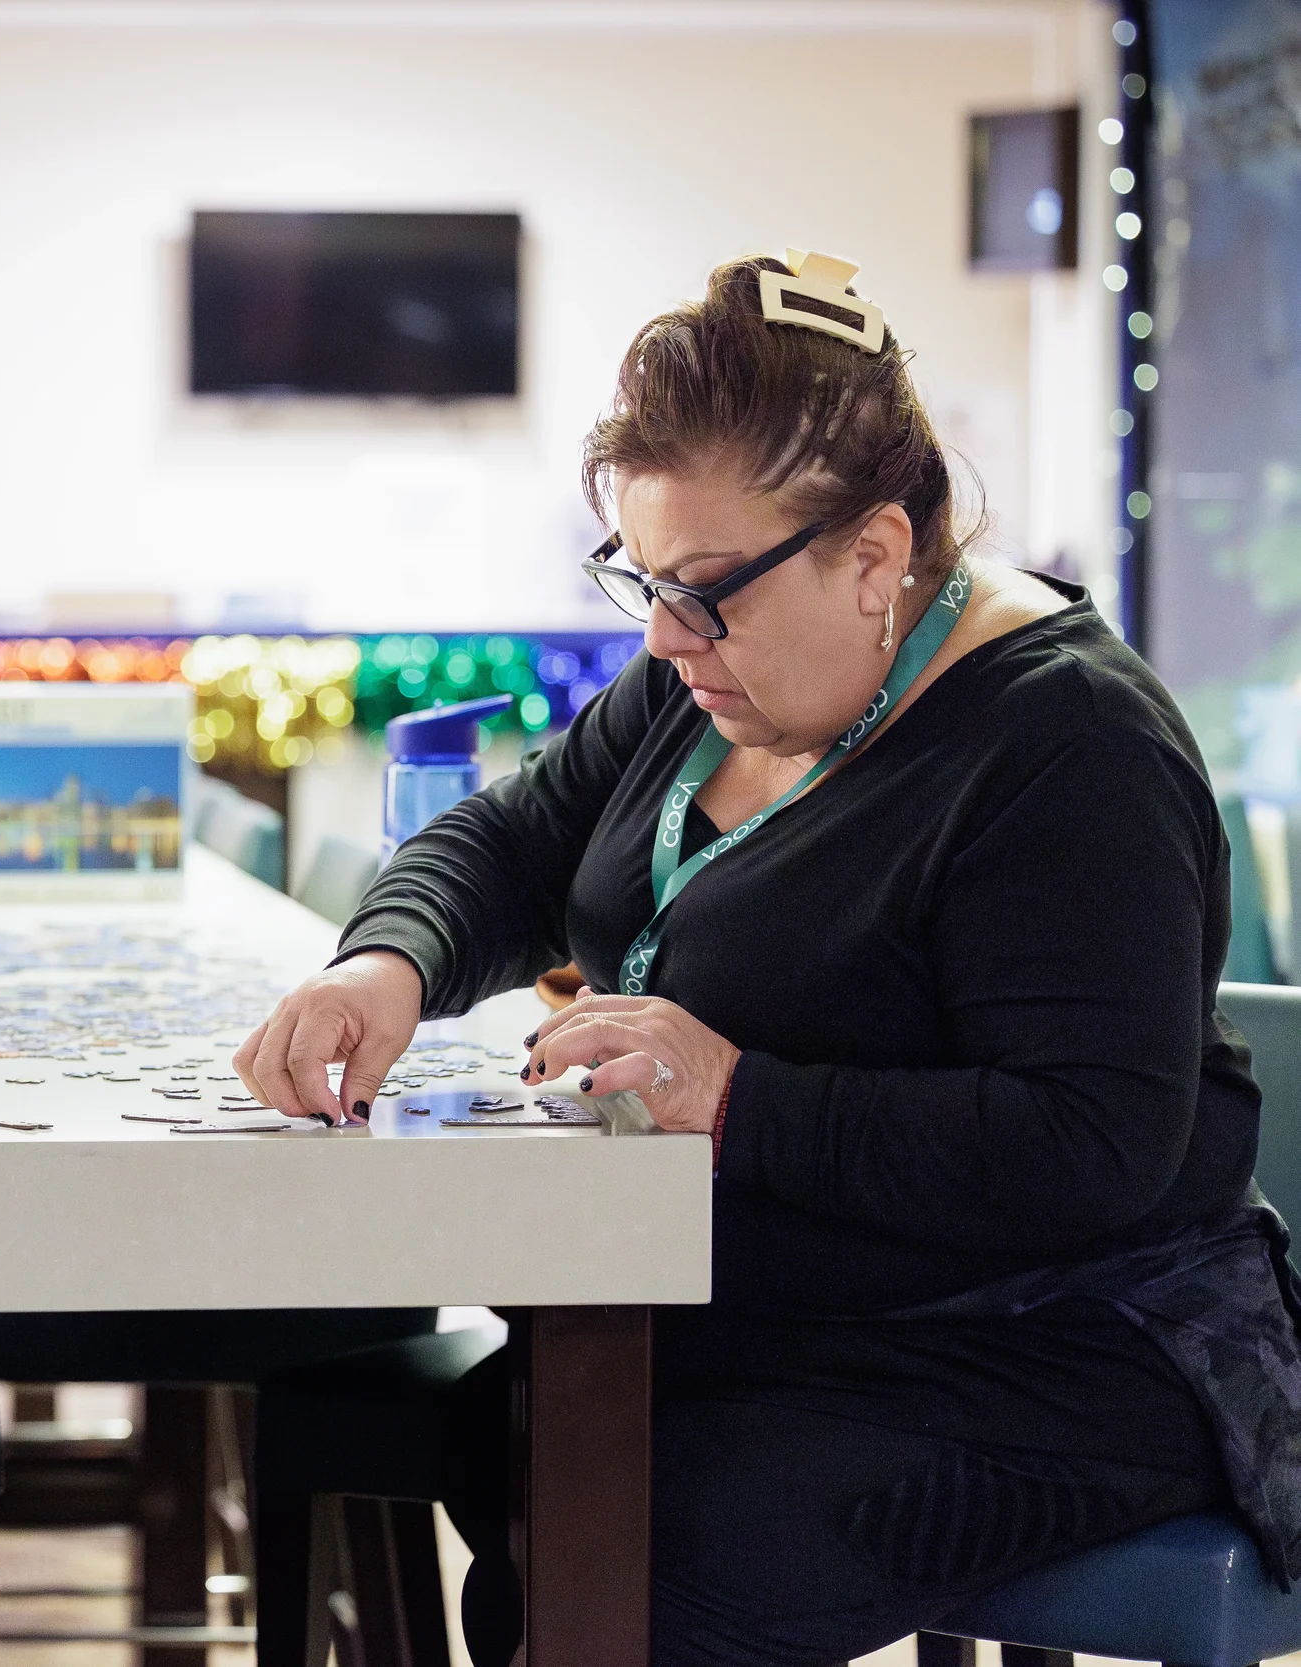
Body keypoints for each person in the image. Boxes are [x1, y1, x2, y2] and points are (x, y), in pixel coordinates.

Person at [236, 251, 1301, 1666]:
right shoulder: (713, 675)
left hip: (1070, 1336)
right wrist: (388, 964)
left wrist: (736, 1094)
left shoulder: (1073, 749)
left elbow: (1088, 1143)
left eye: (709, 591)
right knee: (530, 1460)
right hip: (810, 1309)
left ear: (875, 553)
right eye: (645, 580)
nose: (670, 636)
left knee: (627, 1553)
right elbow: (513, 840)